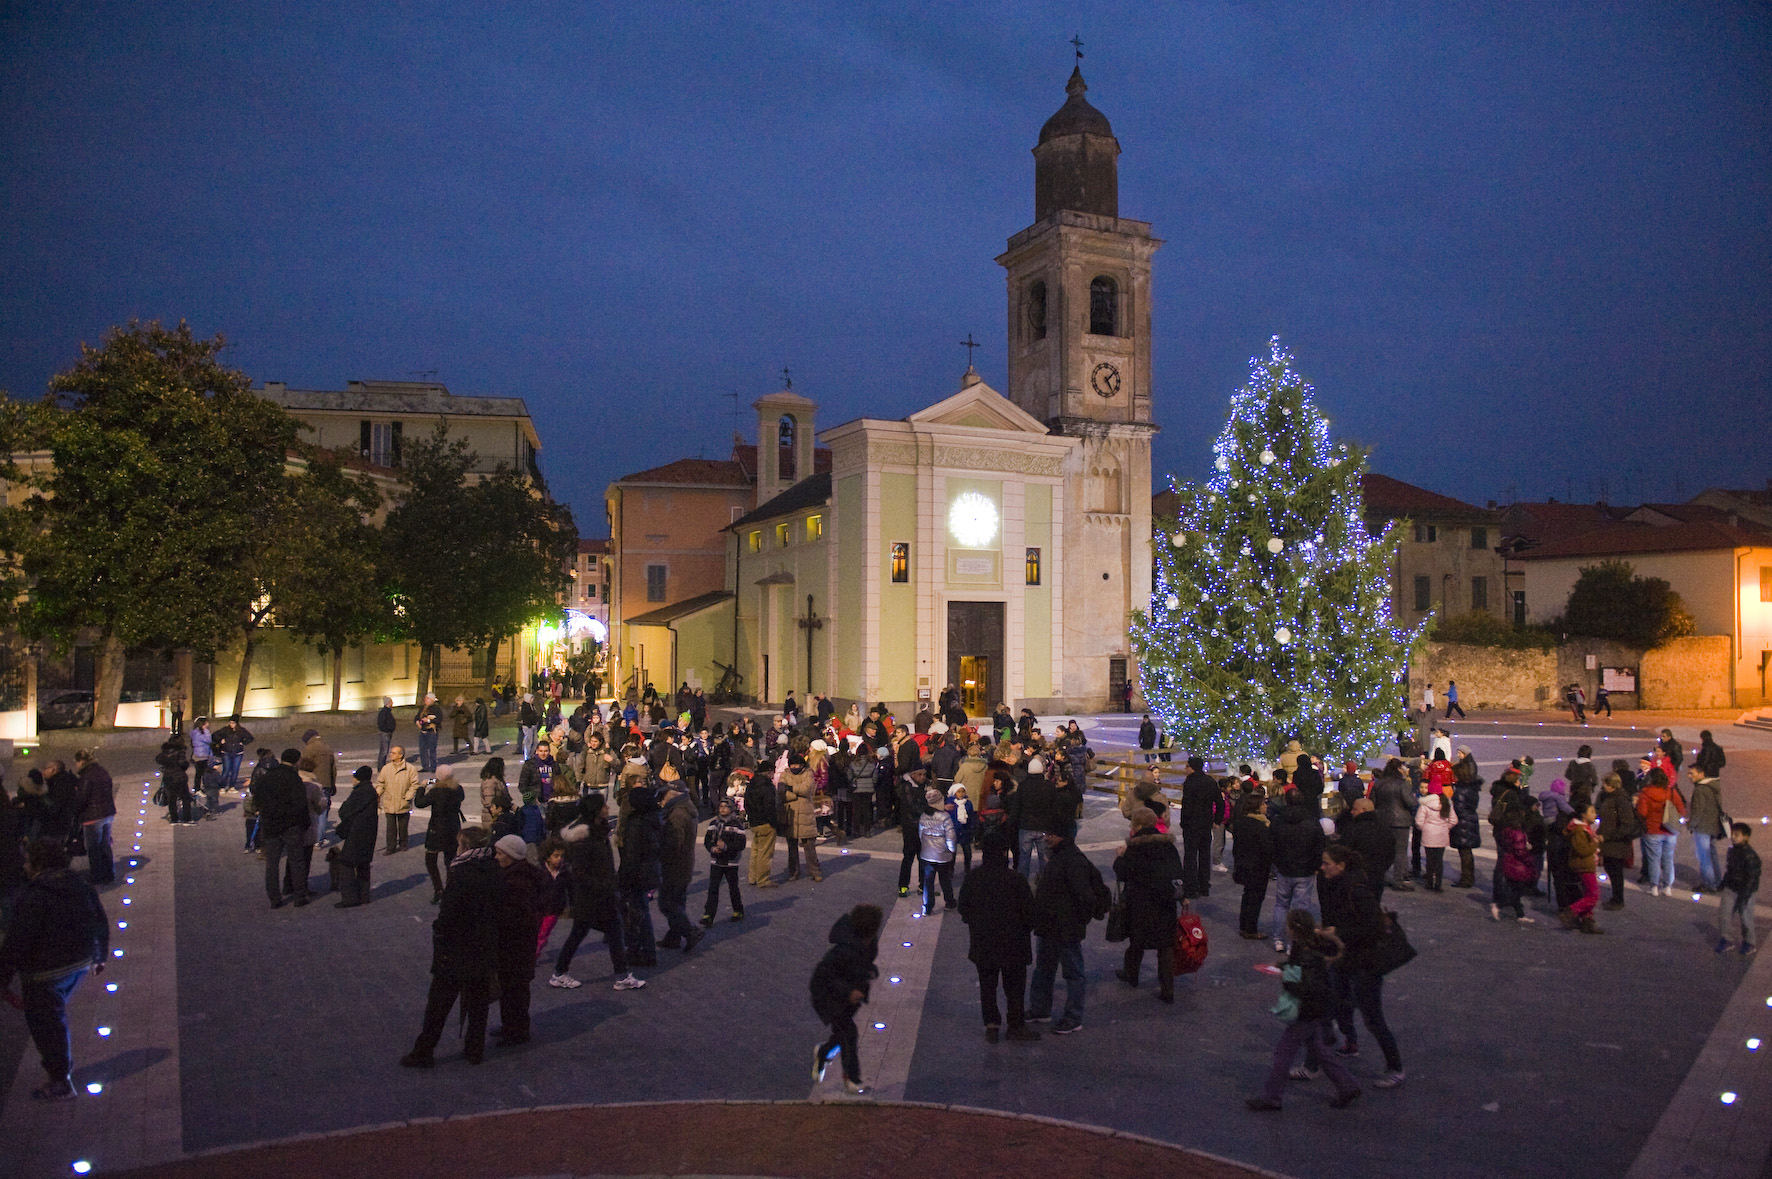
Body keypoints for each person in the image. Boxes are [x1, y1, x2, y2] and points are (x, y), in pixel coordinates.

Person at [0, 839, 110, 1102]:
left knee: (47, 1026)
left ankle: (60, 1081)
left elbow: (17, 941)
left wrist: (2, 978)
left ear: (38, 862)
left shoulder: (34, 896)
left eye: (27, 860)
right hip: (79, 964)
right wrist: (99, 955)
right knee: (54, 1016)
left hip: (45, 973)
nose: (24, 866)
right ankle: (60, 1073)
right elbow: (99, 919)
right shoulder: (79, 884)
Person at [401, 827, 503, 1068]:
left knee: (438, 1004)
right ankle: (474, 1049)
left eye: (459, 845)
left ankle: (424, 1051)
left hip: (457, 949)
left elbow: (450, 914)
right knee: (478, 1003)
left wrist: (440, 932)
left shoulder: (462, 873)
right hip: (484, 947)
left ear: (466, 847)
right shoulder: (494, 870)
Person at [1245, 909, 1361, 1112]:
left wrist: (1283, 975)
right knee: (1320, 1050)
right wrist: (1283, 966)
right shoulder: (1309, 946)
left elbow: (1303, 983)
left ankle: (1272, 1097)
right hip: (1316, 1008)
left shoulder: (1305, 952)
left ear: (1293, 929)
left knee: (1283, 1053)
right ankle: (1347, 1085)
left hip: (1306, 1010)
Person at [1317, 844, 1404, 1088]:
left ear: (1341, 865)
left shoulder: (1356, 888)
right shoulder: (1338, 884)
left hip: (1365, 963)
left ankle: (1395, 1067)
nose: (1322, 867)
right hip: (1347, 958)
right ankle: (1346, 1044)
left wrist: (1338, 932)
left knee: (1373, 1018)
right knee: (1335, 1002)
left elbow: (1372, 925)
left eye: (1326, 863)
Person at [552, 793, 644, 990]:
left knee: (605, 931)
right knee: (591, 932)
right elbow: (581, 873)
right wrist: (605, 887)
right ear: (595, 810)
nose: (607, 808)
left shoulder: (598, 832)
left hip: (601, 893)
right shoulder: (585, 840)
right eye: (603, 806)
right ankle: (561, 972)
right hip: (593, 896)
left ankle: (621, 975)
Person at [957, 830, 1038, 1043]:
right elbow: (1029, 913)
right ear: (1004, 852)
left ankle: (992, 1025)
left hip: (983, 942)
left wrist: (975, 923)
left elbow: (964, 907)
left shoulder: (974, 878)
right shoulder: (1016, 880)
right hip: (1013, 944)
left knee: (987, 986)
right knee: (1014, 988)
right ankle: (1015, 1025)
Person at [1027, 818, 1100, 1036]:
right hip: (1050, 924)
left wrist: (1078, 920)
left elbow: (1084, 896)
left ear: (1063, 837)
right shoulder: (1060, 856)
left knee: (1073, 972)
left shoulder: (1073, 860)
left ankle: (1073, 1017)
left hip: (1065, 927)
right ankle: (1041, 1009)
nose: (1047, 838)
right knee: (1044, 969)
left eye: (1051, 835)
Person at [809, 902, 882, 1096]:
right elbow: (821, 976)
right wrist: (848, 991)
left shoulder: (868, 943)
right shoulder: (842, 951)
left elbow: (861, 964)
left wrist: (870, 972)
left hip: (847, 1000)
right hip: (829, 999)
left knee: (842, 1034)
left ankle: (823, 1053)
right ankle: (851, 1079)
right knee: (849, 1033)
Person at [1113, 807, 1184, 1003]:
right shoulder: (1168, 846)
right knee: (1165, 947)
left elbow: (1123, 873)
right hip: (1165, 903)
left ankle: (1131, 975)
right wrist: (1181, 897)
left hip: (1140, 902)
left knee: (1137, 941)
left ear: (1137, 825)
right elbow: (1177, 874)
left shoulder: (1134, 848)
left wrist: (1119, 857)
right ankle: (1167, 989)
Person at [491, 833, 548, 1046]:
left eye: (499, 853)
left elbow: (514, 916)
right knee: (512, 988)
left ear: (511, 856)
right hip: (519, 944)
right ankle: (511, 1026)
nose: (496, 857)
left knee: (515, 989)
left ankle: (516, 1032)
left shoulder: (517, 881)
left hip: (516, 944)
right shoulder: (518, 875)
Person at [655, 760, 704, 952]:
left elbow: (674, 843)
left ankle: (690, 931)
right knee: (677, 901)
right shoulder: (686, 809)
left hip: (675, 865)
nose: (662, 799)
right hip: (684, 864)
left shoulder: (677, 815)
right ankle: (674, 936)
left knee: (666, 902)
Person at [1270, 791, 1326, 952]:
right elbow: (1319, 845)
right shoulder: (1312, 822)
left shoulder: (1278, 821)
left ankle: (1278, 939)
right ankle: (1293, 943)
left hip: (1284, 868)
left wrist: (1276, 862)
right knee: (1300, 908)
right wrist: (1316, 866)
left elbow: (1271, 844)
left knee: (1281, 904)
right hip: (1305, 869)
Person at [257, 749, 313, 908]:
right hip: (291, 826)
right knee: (296, 861)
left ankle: (274, 899)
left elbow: (258, 798)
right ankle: (299, 896)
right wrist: (304, 824)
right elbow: (301, 804)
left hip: (271, 825)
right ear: (296, 761)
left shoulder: (267, 776)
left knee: (272, 863)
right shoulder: (293, 779)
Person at [415, 765, 466, 904]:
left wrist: (422, 787)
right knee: (450, 860)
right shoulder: (458, 789)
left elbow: (419, 803)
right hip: (453, 828)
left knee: (431, 859)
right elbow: (454, 791)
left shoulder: (436, 791)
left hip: (437, 830)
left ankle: (438, 889)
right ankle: (450, 889)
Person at [333, 767, 379, 908]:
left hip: (356, 833)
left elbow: (345, 811)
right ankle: (364, 895)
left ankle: (349, 897)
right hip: (369, 833)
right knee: (363, 863)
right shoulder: (371, 792)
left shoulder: (358, 792)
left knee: (346, 863)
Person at [1635, 768, 1685, 896]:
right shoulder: (1671, 792)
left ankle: (1654, 886)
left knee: (1653, 859)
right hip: (1670, 830)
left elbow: (1642, 813)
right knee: (1668, 859)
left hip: (1652, 830)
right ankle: (1668, 886)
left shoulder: (1645, 794)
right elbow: (1681, 809)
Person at [1368, 760, 1416, 892]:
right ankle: (1398, 880)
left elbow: (1373, 802)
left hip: (1382, 821)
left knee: (1383, 850)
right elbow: (1410, 802)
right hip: (1400, 822)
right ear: (1398, 769)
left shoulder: (1379, 784)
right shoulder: (1402, 784)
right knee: (1400, 852)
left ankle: (1381, 876)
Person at [1232, 790, 1274, 940]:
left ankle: (1244, 926)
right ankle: (1251, 929)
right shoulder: (1261, 826)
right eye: (1263, 804)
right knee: (1256, 898)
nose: (1266, 806)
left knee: (1248, 895)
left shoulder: (1240, 822)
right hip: (1258, 867)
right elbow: (1266, 848)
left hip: (1244, 864)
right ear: (1256, 807)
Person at [1340, 798, 1396, 904]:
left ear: (1363, 810)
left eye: (1354, 809)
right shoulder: (1384, 829)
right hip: (1378, 875)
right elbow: (1391, 853)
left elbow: (1343, 851)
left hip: (1356, 877)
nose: (1351, 812)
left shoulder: (1353, 829)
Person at [700, 797, 746, 925]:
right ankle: (709, 914)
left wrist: (726, 847)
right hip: (716, 861)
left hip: (731, 862)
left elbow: (740, 844)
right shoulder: (714, 824)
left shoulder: (737, 825)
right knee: (713, 888)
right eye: (721, 807)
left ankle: (738, 910)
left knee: (733, 887)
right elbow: (707, 840)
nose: (723, 809)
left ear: (731, 809)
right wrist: (712, 848)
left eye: (726, 807)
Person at [1716, 822, 1759, 956]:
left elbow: (1753, 876)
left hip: (1745, 891)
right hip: (1730, 888)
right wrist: (1723, 883)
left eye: (1737, 835)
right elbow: (1730, 870)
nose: (1733, 837)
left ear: (1745, 837)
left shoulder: (1750, 855)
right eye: (1732, 834)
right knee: (1724, 914)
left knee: (1745, 917)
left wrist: (1746, 894)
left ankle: (1749, 942)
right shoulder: (1732, 851)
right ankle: (1726, 939)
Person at [1177, 757, 1218, 898]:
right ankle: (1204, 884)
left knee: (1190, 855)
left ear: (1192, 767)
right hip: (1206, 823)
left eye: (1187, 766)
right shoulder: (1210, 781)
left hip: (1191, 824)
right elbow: (1219, 801)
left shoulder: (1190, 782)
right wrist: (1217, 819)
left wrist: (1183, 822)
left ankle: (1190, 886)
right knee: (1205, 854)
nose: (1185, 769)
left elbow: (1187, 805)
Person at [780, 754, 824, 884]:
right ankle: (793, 871)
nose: (794, 767)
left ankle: (815, 871)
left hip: (805, 814)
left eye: (797, 765)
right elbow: (781, 791)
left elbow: (807, 789)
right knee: (792, 848)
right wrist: (795, 795)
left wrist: (791, 788)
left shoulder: (808, 774)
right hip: (790, 814)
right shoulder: (785, 774)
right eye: (792, 765)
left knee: (809, 846)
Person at [918, 787, 958, 914]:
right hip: (942, 854)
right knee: (945, 879)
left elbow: (921, 834)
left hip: (927, 853)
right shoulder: (945, 817)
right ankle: (949, 902)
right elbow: (950, 836)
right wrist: (952, 850)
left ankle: (927, 907)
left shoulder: (923, 815)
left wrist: (926, 846)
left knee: (928, 881)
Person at [1687, 766, 1726, 893]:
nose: (1689, 776)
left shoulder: (1700, 790)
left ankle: (1708, 884)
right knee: (1712, 854)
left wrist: (1691, 825)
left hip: (1703, 827)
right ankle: (1718, 881)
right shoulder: (1714, 786)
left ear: (1701, 773)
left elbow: (1697, 811)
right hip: (1713, 825)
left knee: (1704, 856)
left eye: (1692, 773)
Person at [375, 745, 420, 856]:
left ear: (401, 755)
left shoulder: (410, 769)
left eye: (394, 753)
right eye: (391, 752)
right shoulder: (386, 768)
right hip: (389, 802)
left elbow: (414, 784)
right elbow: (381, 783)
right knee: (390, 827)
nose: (391, 754)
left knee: (403, 826)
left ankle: (403, 844)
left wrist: (408, 796)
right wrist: (377, 794)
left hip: (403, 802)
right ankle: (391, 847)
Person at [1565, 803, 1603, 934]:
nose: (1594, 815)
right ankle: (1571, 911)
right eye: (1591, 812)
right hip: (1583, 865)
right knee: (1593, 894)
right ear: (1584, 815)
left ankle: (1587, 921)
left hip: (1588, 864)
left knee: (1588, 894)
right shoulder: (1579, 830)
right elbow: (1582, 850)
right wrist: (1595, 843)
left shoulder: (1586, 829)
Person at [1449, 762, 1483, 888]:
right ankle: (1468, 877)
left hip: (1463, 823)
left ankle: (1466, 879)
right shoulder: (1472, 788)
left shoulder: (1461, 790)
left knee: (1464, 852)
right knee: (1466, 851)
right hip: (1470, 820)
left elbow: (1459, 807)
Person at [1414, 788, 1454, 892]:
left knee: (1429, 860)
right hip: (1442, 835)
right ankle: (1438, 884)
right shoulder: (1446, 805)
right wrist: (1445, 827)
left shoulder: (1424, 805)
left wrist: (1426, 828)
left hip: (1429, 835)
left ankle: (1429, 883)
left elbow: (1418, 821)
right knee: (1439, 860)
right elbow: (1454, 820)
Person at [743, 768, 777, 889]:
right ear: (768, 772)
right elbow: (770, 806)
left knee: (755, 851)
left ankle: (752, 876)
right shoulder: (768, 787)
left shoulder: (751, 785)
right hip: (766, 822)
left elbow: (746, 803)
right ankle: (763, 879)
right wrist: (774, 822)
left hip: (754, 822)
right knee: (765, 853)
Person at [155, 737, 192, 825]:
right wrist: (186, 764)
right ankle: (187, 819)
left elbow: (158, 759)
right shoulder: (180, 752)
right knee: (186, 798)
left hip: (168, 778)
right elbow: (182, 763)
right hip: (179, 778)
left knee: (172, 799)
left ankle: (174, 819)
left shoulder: (165, 752)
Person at [214, 716, 255, 791]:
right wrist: (221, 741)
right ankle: (222, 786)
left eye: (233, 723)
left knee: (235, 770)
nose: (231, 724)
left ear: (236, 723)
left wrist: (243, 742)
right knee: (226, 770)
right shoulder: (225, 730)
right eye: (230, 723)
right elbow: (214, 735)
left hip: (238, 753)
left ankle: (232, 786)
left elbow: (250, 738)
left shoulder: (241, 731)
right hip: (226, 752)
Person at [189, 718, 216, 816]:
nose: (208, 724)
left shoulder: (194, 732)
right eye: (207, 723)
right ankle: (198, 789)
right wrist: (207, 731)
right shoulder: (204, 732)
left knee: (198, 773)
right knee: (202, 773)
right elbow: (209, 740)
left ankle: (197, 788)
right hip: (202, 755)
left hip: (197, 755)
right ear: (203, 724)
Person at [375, 697, 397, 769]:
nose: (392, 703)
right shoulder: (384, 712)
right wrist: (387, 730)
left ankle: (382, 766)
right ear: (388, 703)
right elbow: (381, 723)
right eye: (391, 702)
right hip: (385, 733)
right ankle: (381, 767)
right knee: (384, 751)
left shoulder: (387, 711)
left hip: (387, 733)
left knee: (385, 751)